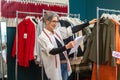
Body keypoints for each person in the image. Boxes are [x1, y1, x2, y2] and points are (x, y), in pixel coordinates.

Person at [38, 11, 97, 80]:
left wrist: (88, 23)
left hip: (64, 64)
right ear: (47, 21)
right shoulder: (42, 37)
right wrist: (67, 46)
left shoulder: (57, 31)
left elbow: (72, 30)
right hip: (55, 67)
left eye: (57, 22)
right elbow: (52, 51)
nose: (55, 24)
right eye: (53, 21)